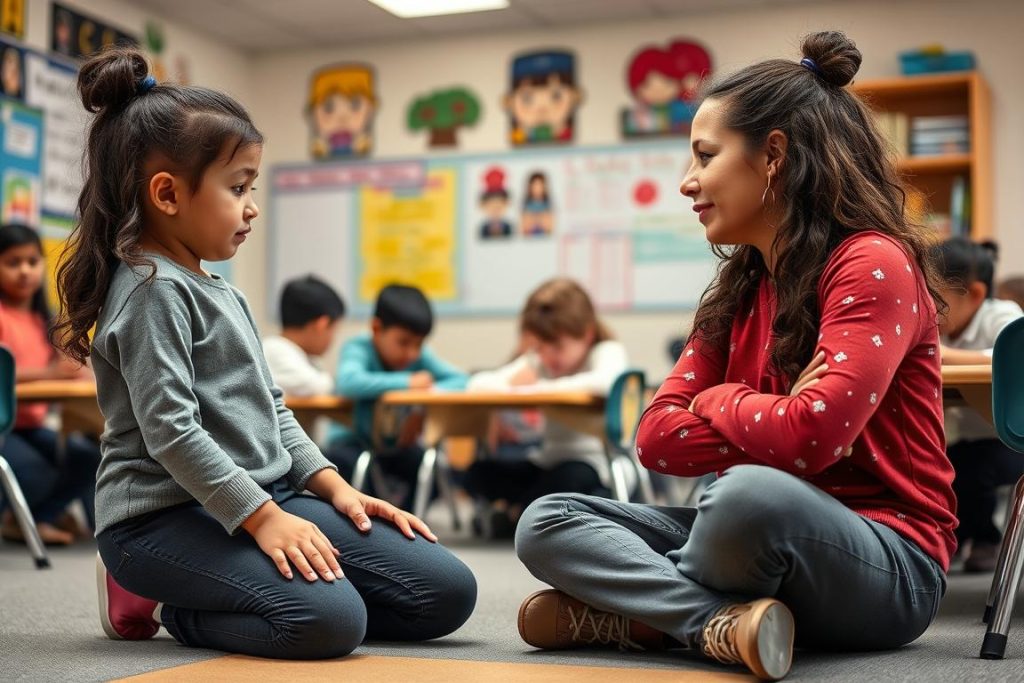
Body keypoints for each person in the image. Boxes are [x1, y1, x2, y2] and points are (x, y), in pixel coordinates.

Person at [513, 32, 954, 681]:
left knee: (745, 496)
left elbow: (813, 440)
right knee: (547, 518)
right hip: (747, 535)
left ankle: (644, 616)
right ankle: (715, 622)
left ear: (772, 155)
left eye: (704, 155)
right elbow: (656, 438)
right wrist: (776, 412)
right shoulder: (739, 285)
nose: (687, 181)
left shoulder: (871, 263)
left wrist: (720, 401)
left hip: (890, 558)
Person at [53, 47, 475, 659]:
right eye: (238, 187)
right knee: (329, 622)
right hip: (158, 520)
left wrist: (333, 488)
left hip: (265, 494)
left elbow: (271, 408)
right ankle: (161, 603)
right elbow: (171, 433)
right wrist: (262, 518)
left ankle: (266, 580)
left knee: (444, 593)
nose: (251, 206)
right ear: (168, 195)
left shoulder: (221, 289)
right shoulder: (149, 290)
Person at [465, 278, 627, 535]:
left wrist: (537, 388)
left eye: (557, 347)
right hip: (547, 461)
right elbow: (477, 385)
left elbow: (606, 382)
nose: (548, 356)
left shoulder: (606, 351)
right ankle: (527, 513)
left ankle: (517, 514)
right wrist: (513, 386)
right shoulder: (539, 362)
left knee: (571, 479)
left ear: (587, 334)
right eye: (540, 347)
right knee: (477, 473)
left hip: (593, 463)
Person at [0, 223, 99, 545]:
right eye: (13, 263)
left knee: (89, 457)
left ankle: (34, 518)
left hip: (33, 424)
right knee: (36, 473)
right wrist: (50, 373)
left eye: (32, 261)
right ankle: (24, 514)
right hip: (7, 427)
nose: (25, 271)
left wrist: (76, 371)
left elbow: (68, 366)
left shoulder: (46, 319)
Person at [327, 284, 467, 508]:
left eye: (419, 344)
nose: (412, 353)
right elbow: (349, 383)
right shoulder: (358, 348)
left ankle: (405, 519)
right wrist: (408, 383)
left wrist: (421, 408)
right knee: (344, 472)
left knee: (434, 472)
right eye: (403, 342)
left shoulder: (417, 355)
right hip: (353, 442)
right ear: (376, 328)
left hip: (395, 445)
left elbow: (461, 380)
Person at [932, 237, 1023, 572]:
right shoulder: (937, 327)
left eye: (936, 298)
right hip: (964, 439)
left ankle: (986, 537)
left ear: (975, 295)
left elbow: (1007, 356)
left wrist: (939, 354)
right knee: (937, 467)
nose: (928, 308)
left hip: (1011, 439)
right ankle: (953, 537)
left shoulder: (1002, 315)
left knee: (971, 470)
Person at [263, 274, 345, 398]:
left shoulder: (304, 356)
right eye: (334, 330)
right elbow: (316, 387)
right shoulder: (275, 349)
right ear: (321, 325)